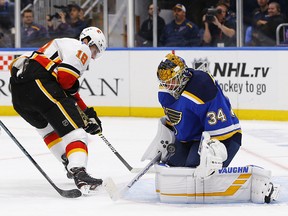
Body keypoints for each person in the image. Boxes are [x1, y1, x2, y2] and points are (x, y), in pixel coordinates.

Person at [141, 53, 279, 204]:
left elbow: (222, 129)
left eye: (171, 80)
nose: (168, 85)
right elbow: (177, 119)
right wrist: (166, 135)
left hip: (223, 137)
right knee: (174, 168)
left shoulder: (202, 88)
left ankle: (256, 182)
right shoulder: (165, 91)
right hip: (192, 138)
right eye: (165, 82)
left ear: (182, 75)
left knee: (197, 174)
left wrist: (211, 154)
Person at [9, 26, 107, 194]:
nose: (92, 55)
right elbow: (66, 81)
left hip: (19, 93)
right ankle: (79, 171)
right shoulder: (81, 48)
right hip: (39, 83)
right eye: (95, 50)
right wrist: (83, 117)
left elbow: (65, 85)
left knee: (46, 130)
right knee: (76, 133)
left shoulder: (61, 46)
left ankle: (67, 160)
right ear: (89, 42)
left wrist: (86, 111)